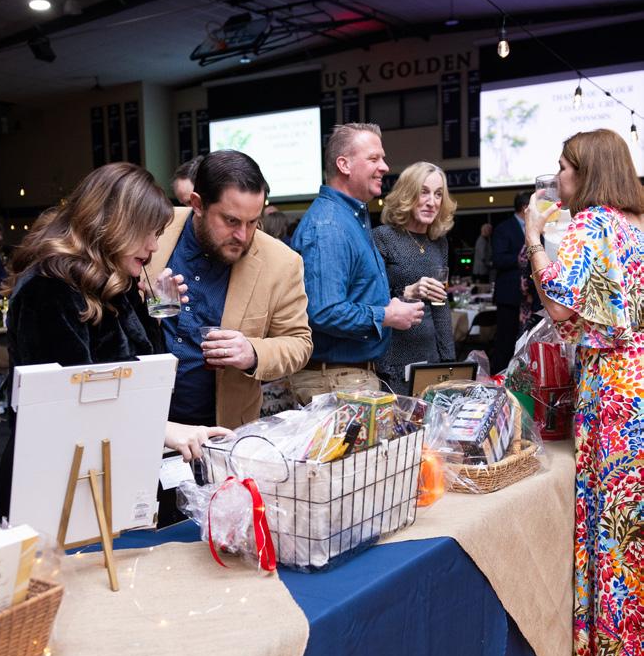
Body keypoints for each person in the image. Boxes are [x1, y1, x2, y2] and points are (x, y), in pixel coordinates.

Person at [0, 163, 230, 517]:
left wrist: (153, 312)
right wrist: (165, 430)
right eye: (148, 233)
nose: (154, 246)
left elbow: (143, 375)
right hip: (55, 481)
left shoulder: (112, 282)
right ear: (113, 224)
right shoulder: (47, 289)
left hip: (101, 469)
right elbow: (68, 404)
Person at [524, 128, 643, 656]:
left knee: (612, 522)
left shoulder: (592, 225)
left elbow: (559, 307)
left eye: (564, 167)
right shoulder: (637, 226)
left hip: (613, 389)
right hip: (638, 378)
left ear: (587, 171)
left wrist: (534, 238)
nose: (558, 176)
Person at [148, 149, 312, 430]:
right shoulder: (153, 227)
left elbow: (299, 343)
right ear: (198, 204)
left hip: (220, 430)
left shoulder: (282, 263)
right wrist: (145, 302)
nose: (243, 236)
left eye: (253, 222)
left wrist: (253, 352)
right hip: (143, 421)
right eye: (231, 221)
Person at [289, 123, 424, 404]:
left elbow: (352, 296)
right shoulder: (329, 225)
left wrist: (393, 305)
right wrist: (386, 315)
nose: (385, 167)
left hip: (345, 378)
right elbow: (324, 311)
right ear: (344, 165)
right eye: (374, 158)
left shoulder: (349, 218)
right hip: (335, 380)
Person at [373, 162, 456, 395]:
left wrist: (449, 361)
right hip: (393, 358)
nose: (432, 202)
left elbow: (440, 304)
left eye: (438, 194)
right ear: (407, 194)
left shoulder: (439, 243)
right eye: (424, 192)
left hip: (430, 356)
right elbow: (370, 301)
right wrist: (406, 293)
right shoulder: (383, 237)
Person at [491, 191, 531, 372]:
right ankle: (499, 378)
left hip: (530, 299)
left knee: (526, 343)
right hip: (509, 296)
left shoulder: (537, 228)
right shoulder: (503, 228)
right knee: (505, 342)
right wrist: (521, 258)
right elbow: (498, 259)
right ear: (525, 207)